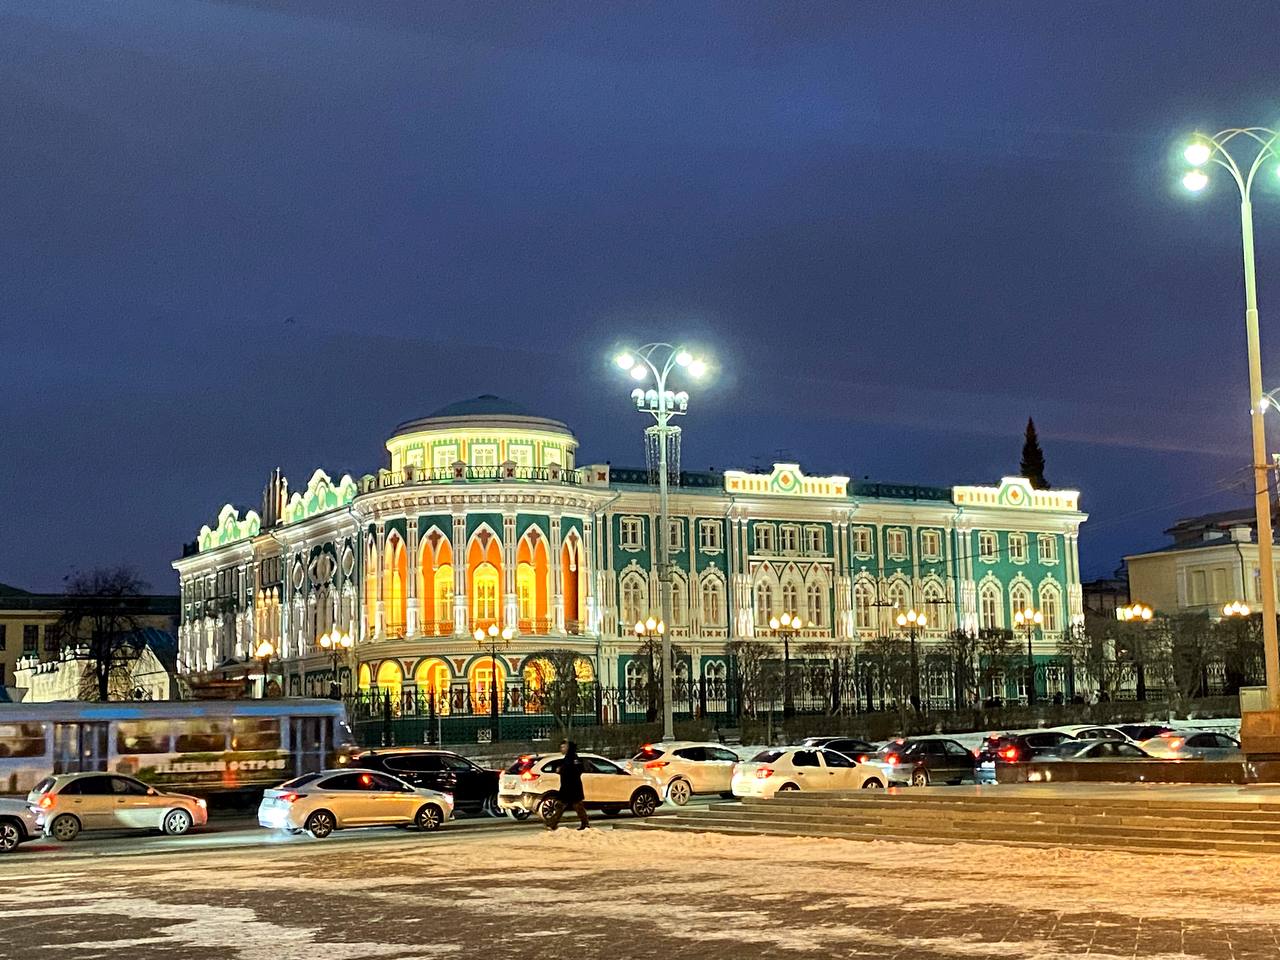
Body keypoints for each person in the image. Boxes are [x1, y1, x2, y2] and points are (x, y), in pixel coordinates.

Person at [546, 739, 589, 831]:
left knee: (573, 806)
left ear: (568, 748)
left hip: (572, 787)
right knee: (563, 805)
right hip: (568, 786)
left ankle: (552, 824)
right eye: (561, 747)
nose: (561, 749)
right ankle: (552, 824)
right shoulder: (569, 758)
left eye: (563, 747)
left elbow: (574, 770)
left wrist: (561, 770)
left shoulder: (572, 758)